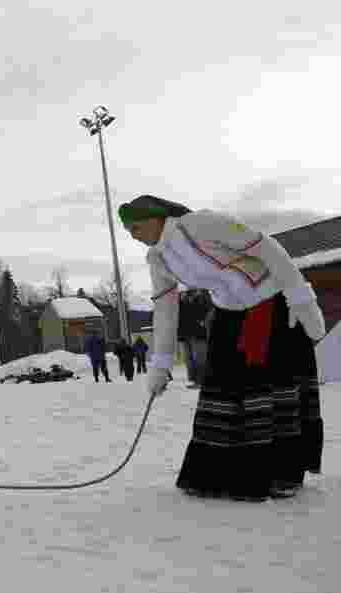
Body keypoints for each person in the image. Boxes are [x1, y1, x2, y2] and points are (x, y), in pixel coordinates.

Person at [120, 194, 325, 502]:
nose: (133, 235)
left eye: (135, 227)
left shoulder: (200, 224)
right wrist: (160, 364)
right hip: (229, 313)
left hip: (271, 303)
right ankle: (219, 474)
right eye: (128, 231)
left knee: (275, 389)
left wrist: (301, 298)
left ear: (156, 218)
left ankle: (285, 472)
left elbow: (266, 246)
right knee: (222, 391)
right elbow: (165, 309)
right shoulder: (157, 259)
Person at [178, 289, 213, 388]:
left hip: (198, 332)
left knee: (200, 358)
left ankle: (201, 381)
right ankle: (195, 380)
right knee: (189, 359)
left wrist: (203, 321)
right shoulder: (181, 296)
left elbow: (211, 309)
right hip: (184, 333)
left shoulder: (203, 294)